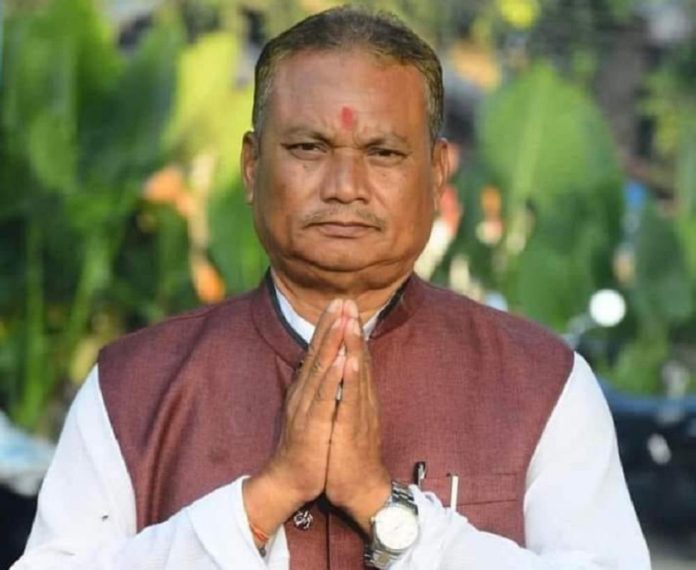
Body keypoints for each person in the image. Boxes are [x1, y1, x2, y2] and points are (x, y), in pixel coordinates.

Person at [14, 6, 650, 569]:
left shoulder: (540, 384)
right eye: (309, 147)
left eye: (383, 153)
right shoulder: (135, 386)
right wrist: (261, 501)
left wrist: (382, 506)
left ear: (437, 173)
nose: (345, 186)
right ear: (252, 166)